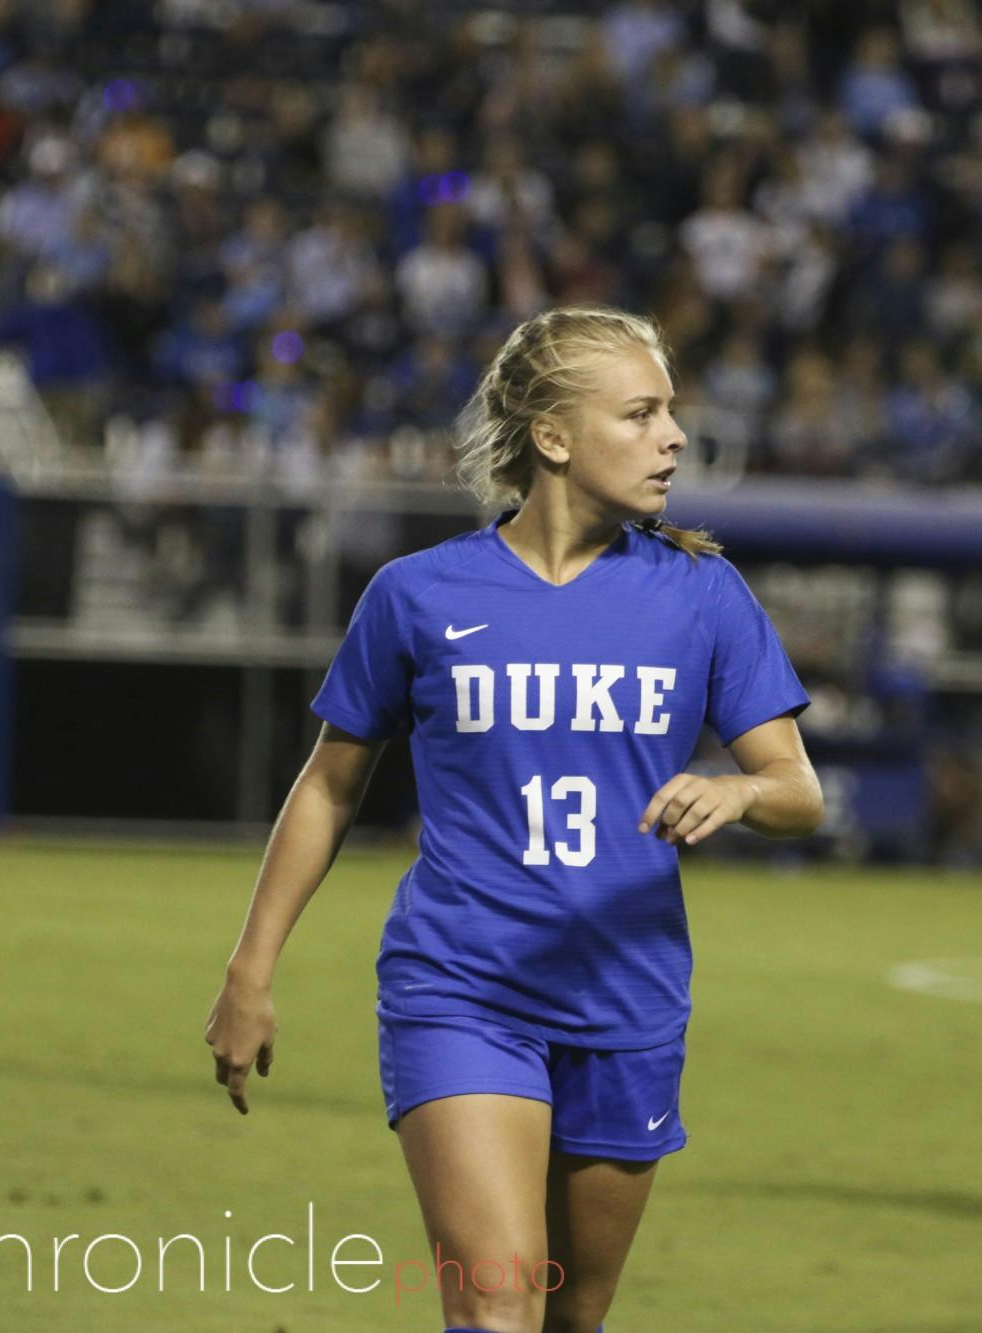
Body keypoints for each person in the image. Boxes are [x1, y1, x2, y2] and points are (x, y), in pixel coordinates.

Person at [204, 306, 822, 1333]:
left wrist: (742, 789)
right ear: (552, 436)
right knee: (498, 1304)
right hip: (460, 986)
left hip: (627, 998)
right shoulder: (418, 594)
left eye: (670, 411)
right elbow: (327, 784)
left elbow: (800, 789)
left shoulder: (701, 595)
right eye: (640, 412)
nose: (673, 435)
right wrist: (248, 970)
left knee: (568, 1317)